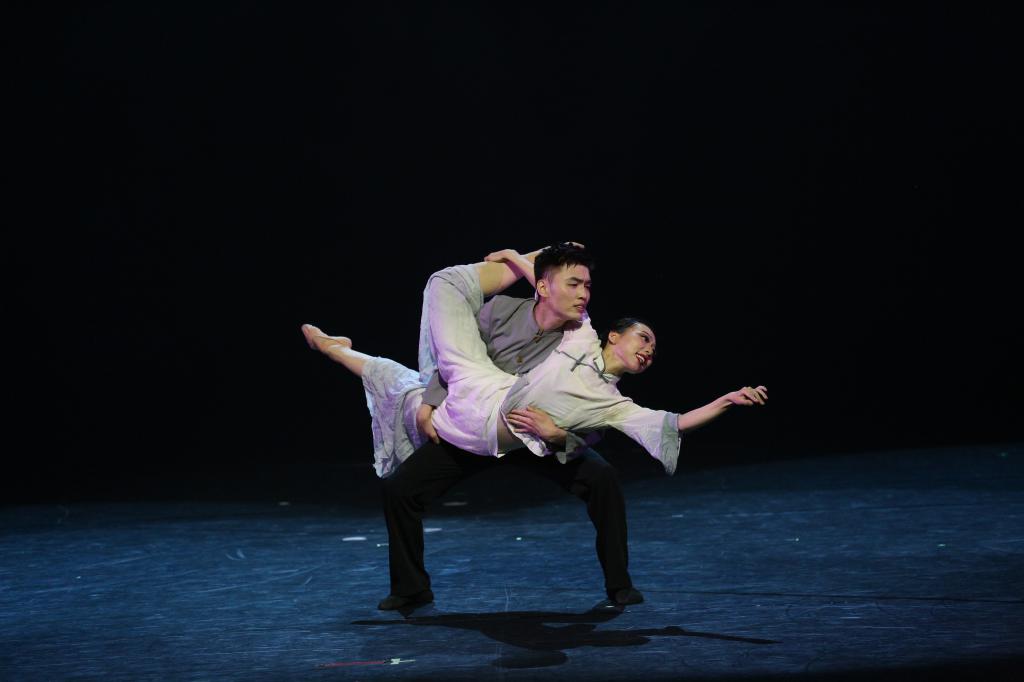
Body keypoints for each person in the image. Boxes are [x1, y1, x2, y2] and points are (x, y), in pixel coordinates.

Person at [302, 243, 767, 611]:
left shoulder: (594, 364)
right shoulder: (514, 316)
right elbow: (452, 359)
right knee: (401, 466)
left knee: (602, 478)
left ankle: (620, 584)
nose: (583, 294)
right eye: (573, 283)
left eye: (586, 286)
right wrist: (433, 403)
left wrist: (724, 400)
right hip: (473, 414)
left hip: (536, 438)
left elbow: (670, 424)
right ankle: (411, 589)